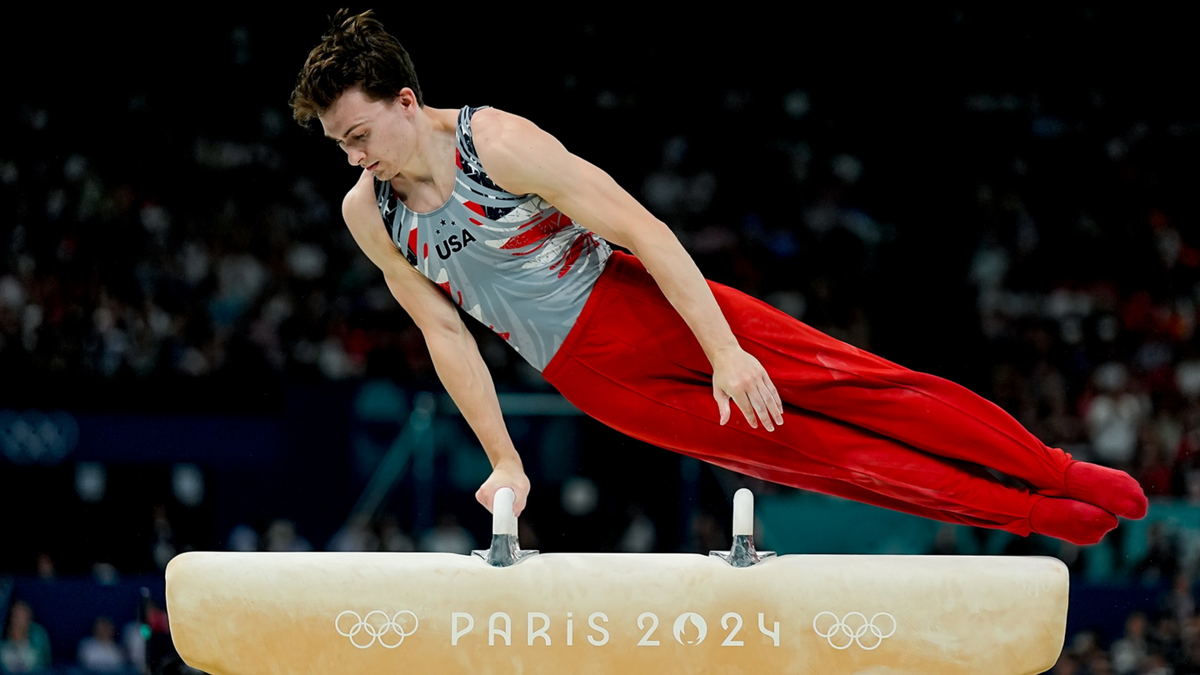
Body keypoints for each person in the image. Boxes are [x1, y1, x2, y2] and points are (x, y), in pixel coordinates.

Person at [289, 10, 1148, 546]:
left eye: (360, 133)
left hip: (649, 301)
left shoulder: (498, 144)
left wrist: (726, 349)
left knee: (868, 388)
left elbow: (646, 230)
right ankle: (1033, 516)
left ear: (404, 99)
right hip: (593, 375)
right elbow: (447, 332)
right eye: (340, 146)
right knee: (828, 460)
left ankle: (1056, 472)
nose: (355, 157)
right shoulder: (371, 214)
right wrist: (505, 459)